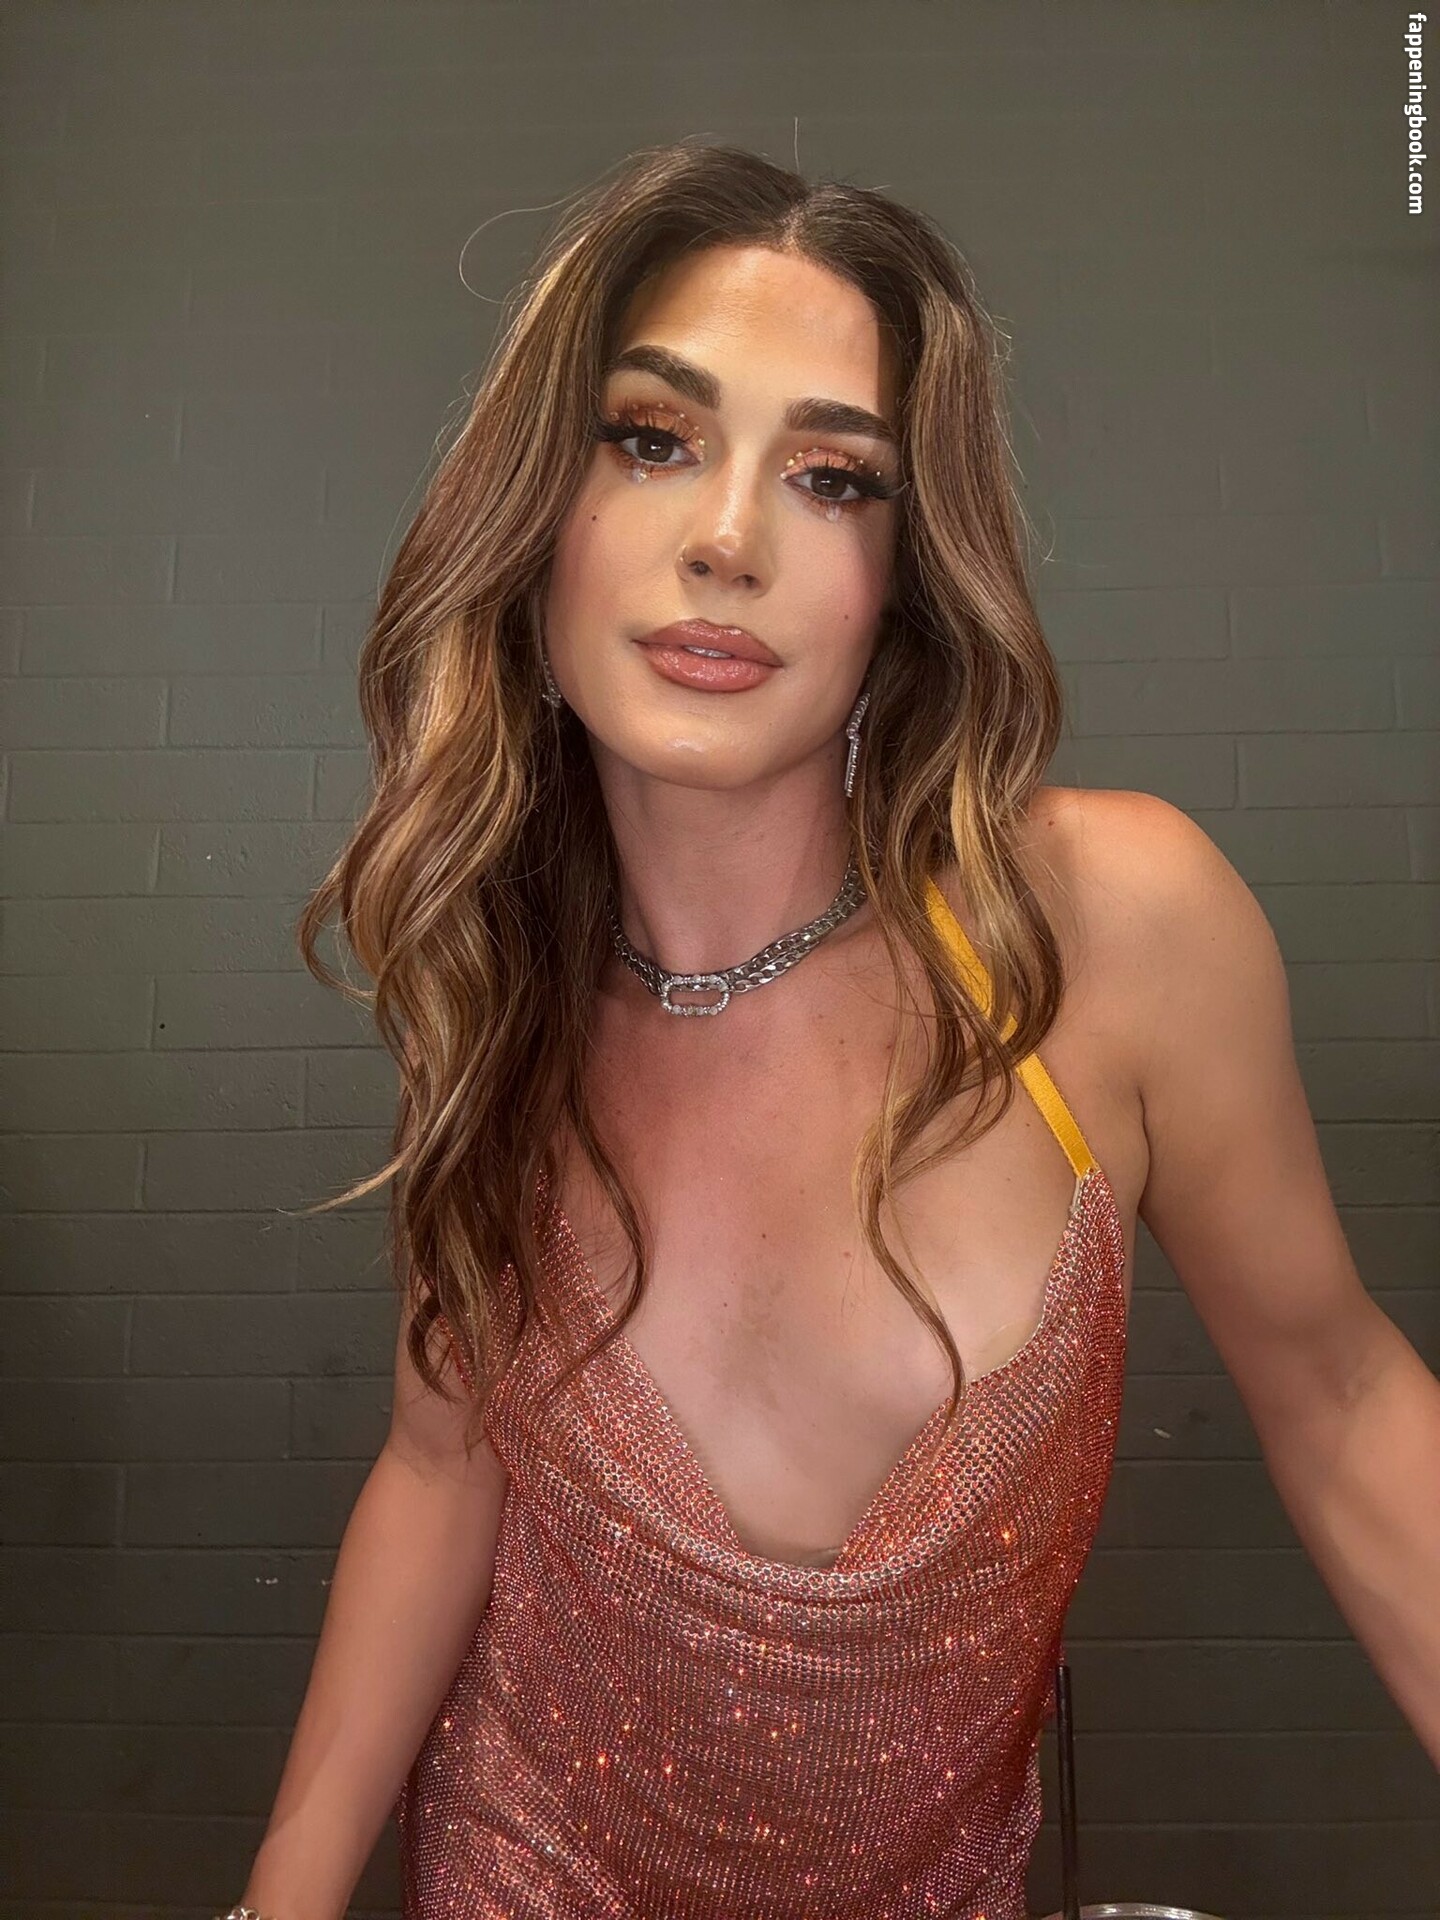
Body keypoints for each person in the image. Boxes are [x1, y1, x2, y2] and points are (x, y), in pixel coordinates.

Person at [229, 140, 1440, 1920]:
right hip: (525, 1864)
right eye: (652, 439)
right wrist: (284, 1890)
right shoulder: (501, 990)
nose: (728, 538)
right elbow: (437, 1464)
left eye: (832, 478)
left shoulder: (1108, 932)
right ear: (539, 512)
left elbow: (1343, 1400)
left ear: (903, 576)